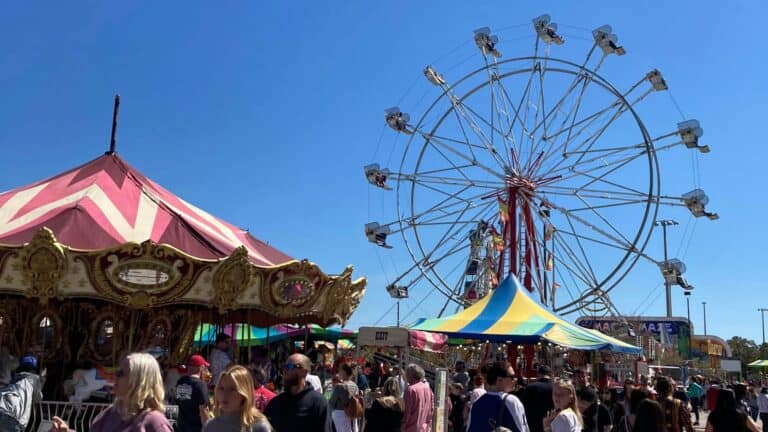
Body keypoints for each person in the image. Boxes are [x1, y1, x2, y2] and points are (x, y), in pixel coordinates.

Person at [50, 352, 173, 432]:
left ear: (139, 381)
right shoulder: (110, 412)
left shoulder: (155, 422)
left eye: (120, 373)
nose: (114, 377)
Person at [264, 354, 328, 432]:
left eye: (289, 367)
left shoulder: (318, 403)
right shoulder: (276, 402)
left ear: (304, 372)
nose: (284, 371)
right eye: (284, 366)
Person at [201, 365, 271, 432]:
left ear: (244, 393)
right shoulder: (210, 426)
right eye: (221, 388)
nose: (224, 394)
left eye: (232, 389)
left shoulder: (258, 427)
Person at [466, 361, 528, 432]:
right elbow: (523, 429)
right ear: (499, 380)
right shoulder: (511, 401)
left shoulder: (476, 404)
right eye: (512, 377)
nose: (514, 380)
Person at [0, 355, 45, 432]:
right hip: (12, 415)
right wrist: (43, 379)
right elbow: (38, 398)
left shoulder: (15, 378)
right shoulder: (34, 379)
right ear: (34, 370)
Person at [174, 354, 210, 432]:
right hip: (195, 428)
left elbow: (175, 405)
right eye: (205, 367)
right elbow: (203, 410)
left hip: (180, 428)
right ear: (201, 367)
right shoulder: (200, 384)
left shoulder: (180, 382)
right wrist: (208, 428)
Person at [403, 363, 435, 432]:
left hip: (410, 428)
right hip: (424, 428)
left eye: (406, 373)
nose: (405, 375)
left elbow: (406, 412)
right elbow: (431, 410)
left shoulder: (410, 390)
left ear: (411, 375)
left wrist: (402, 427)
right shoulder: (428, 388)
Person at [329, 362, 360, 432]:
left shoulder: (339, 386)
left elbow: (332, 403)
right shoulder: (355, 385)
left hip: (340, 416)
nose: (338, 373)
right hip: (352, 415)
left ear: (344, 372)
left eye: (340, 370)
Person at [522, 365, 554, 432]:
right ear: (550, 374)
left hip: (533, 426)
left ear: (538, 374)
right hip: (551, 426)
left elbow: (523, 408)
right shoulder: (556, 388)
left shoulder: (529, 388)